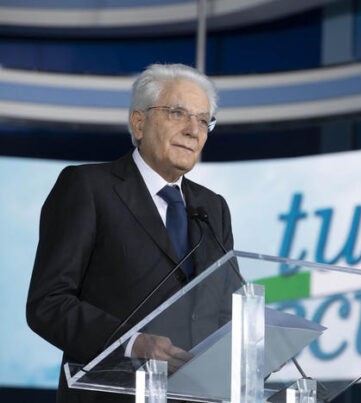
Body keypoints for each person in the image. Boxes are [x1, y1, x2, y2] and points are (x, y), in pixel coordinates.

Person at [26, 64, 236, 402]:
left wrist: (255, 344)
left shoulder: (213, 208)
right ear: (139, 123)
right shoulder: (88, 187)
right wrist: (132, 343)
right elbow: (48, 304)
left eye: (202, 120)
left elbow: (226, 308)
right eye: (178, 113)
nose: (193, 130)